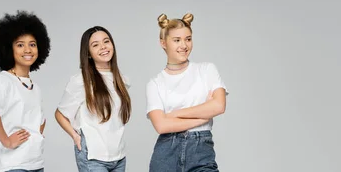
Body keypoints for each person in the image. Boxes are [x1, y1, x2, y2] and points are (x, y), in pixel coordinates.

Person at [146, 13, 228, 172]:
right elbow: (161, 126)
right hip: (166, 154)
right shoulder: (155, 83)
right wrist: (204, 115)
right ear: (163, 43)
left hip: (201, 150)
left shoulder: (206, 70)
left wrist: (172, 115)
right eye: (177, 40)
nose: (184, 45)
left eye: (188, 39)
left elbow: (219, 106)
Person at [0, 10, 51, 172]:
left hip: (35, 163)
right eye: (20, 45)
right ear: (8, 49)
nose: (27, 49)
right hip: (13, 164)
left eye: (32, 44)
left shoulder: (34, 86)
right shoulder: (5, 80)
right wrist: (7, 141)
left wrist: (37, 137)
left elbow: (39, 120)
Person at [55, 26, 131, 172]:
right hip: (93, 157)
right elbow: (59, 114)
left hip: (119, 156)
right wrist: (75, 136)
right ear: (88, 53)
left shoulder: (121, 79)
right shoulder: (81, 81)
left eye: (106, 41)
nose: (103, 47)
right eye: (95, 45)